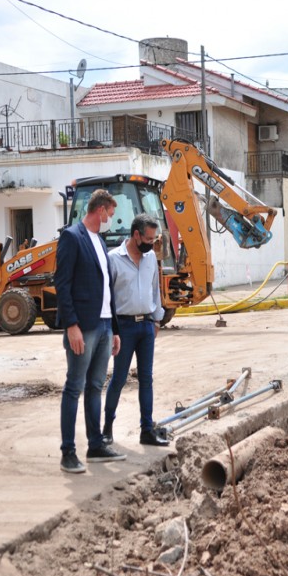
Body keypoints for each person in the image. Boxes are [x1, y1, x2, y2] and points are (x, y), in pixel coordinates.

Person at [55, 189, 126, 473]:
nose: (111, 218)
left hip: (106, 325)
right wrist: (71, 325)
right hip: (83, 327)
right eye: (110, 213)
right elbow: (62, 284)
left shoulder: (99, 240)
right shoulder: (72, 237)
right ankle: (68, 452)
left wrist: (116, 330)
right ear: (100, 210)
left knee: (95, 387)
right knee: (74, 387)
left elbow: (108, 290)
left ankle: (95, 445)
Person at [103, 213, 169, 447]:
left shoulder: (150, 258)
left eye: (154, 239)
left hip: (146, 326)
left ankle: (146, 431)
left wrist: (157, 320)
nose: (152, 244)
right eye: (148, 239)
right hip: (124, 327)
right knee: (119, 378)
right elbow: (106, 297)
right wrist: (112, 330)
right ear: (136, 235)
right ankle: (107, 429)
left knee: (146, 379)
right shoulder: (113, 259)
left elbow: (155, 289)